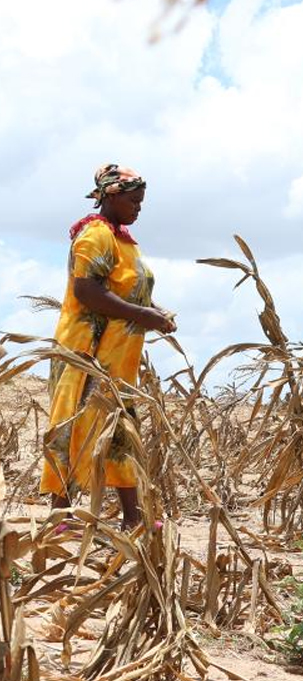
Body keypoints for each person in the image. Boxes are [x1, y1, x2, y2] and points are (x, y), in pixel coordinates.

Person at [40, 164, 176, 530]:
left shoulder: (124, 242)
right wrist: (143, 315)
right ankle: (61, 516)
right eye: (134, 201)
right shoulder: (94, 236)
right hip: (86, 354)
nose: (139, 208)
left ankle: (132, 518)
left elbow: (128, 289)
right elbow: (87, 292)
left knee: (119, 430)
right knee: (75, 427)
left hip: (118, 359)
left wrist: (156, 311)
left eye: (142, 202)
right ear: (111, 196)